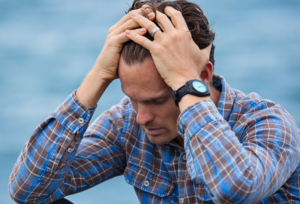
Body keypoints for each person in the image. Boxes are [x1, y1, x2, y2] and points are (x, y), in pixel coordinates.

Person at [9, 0, 300, 203]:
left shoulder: (268, 123)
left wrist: (187, 86)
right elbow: (28, 190)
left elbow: (236, 188)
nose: (141, 117)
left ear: (203, 75)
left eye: (157, 100)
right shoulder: (127, 123)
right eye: (133, 100)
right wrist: (97, 76)